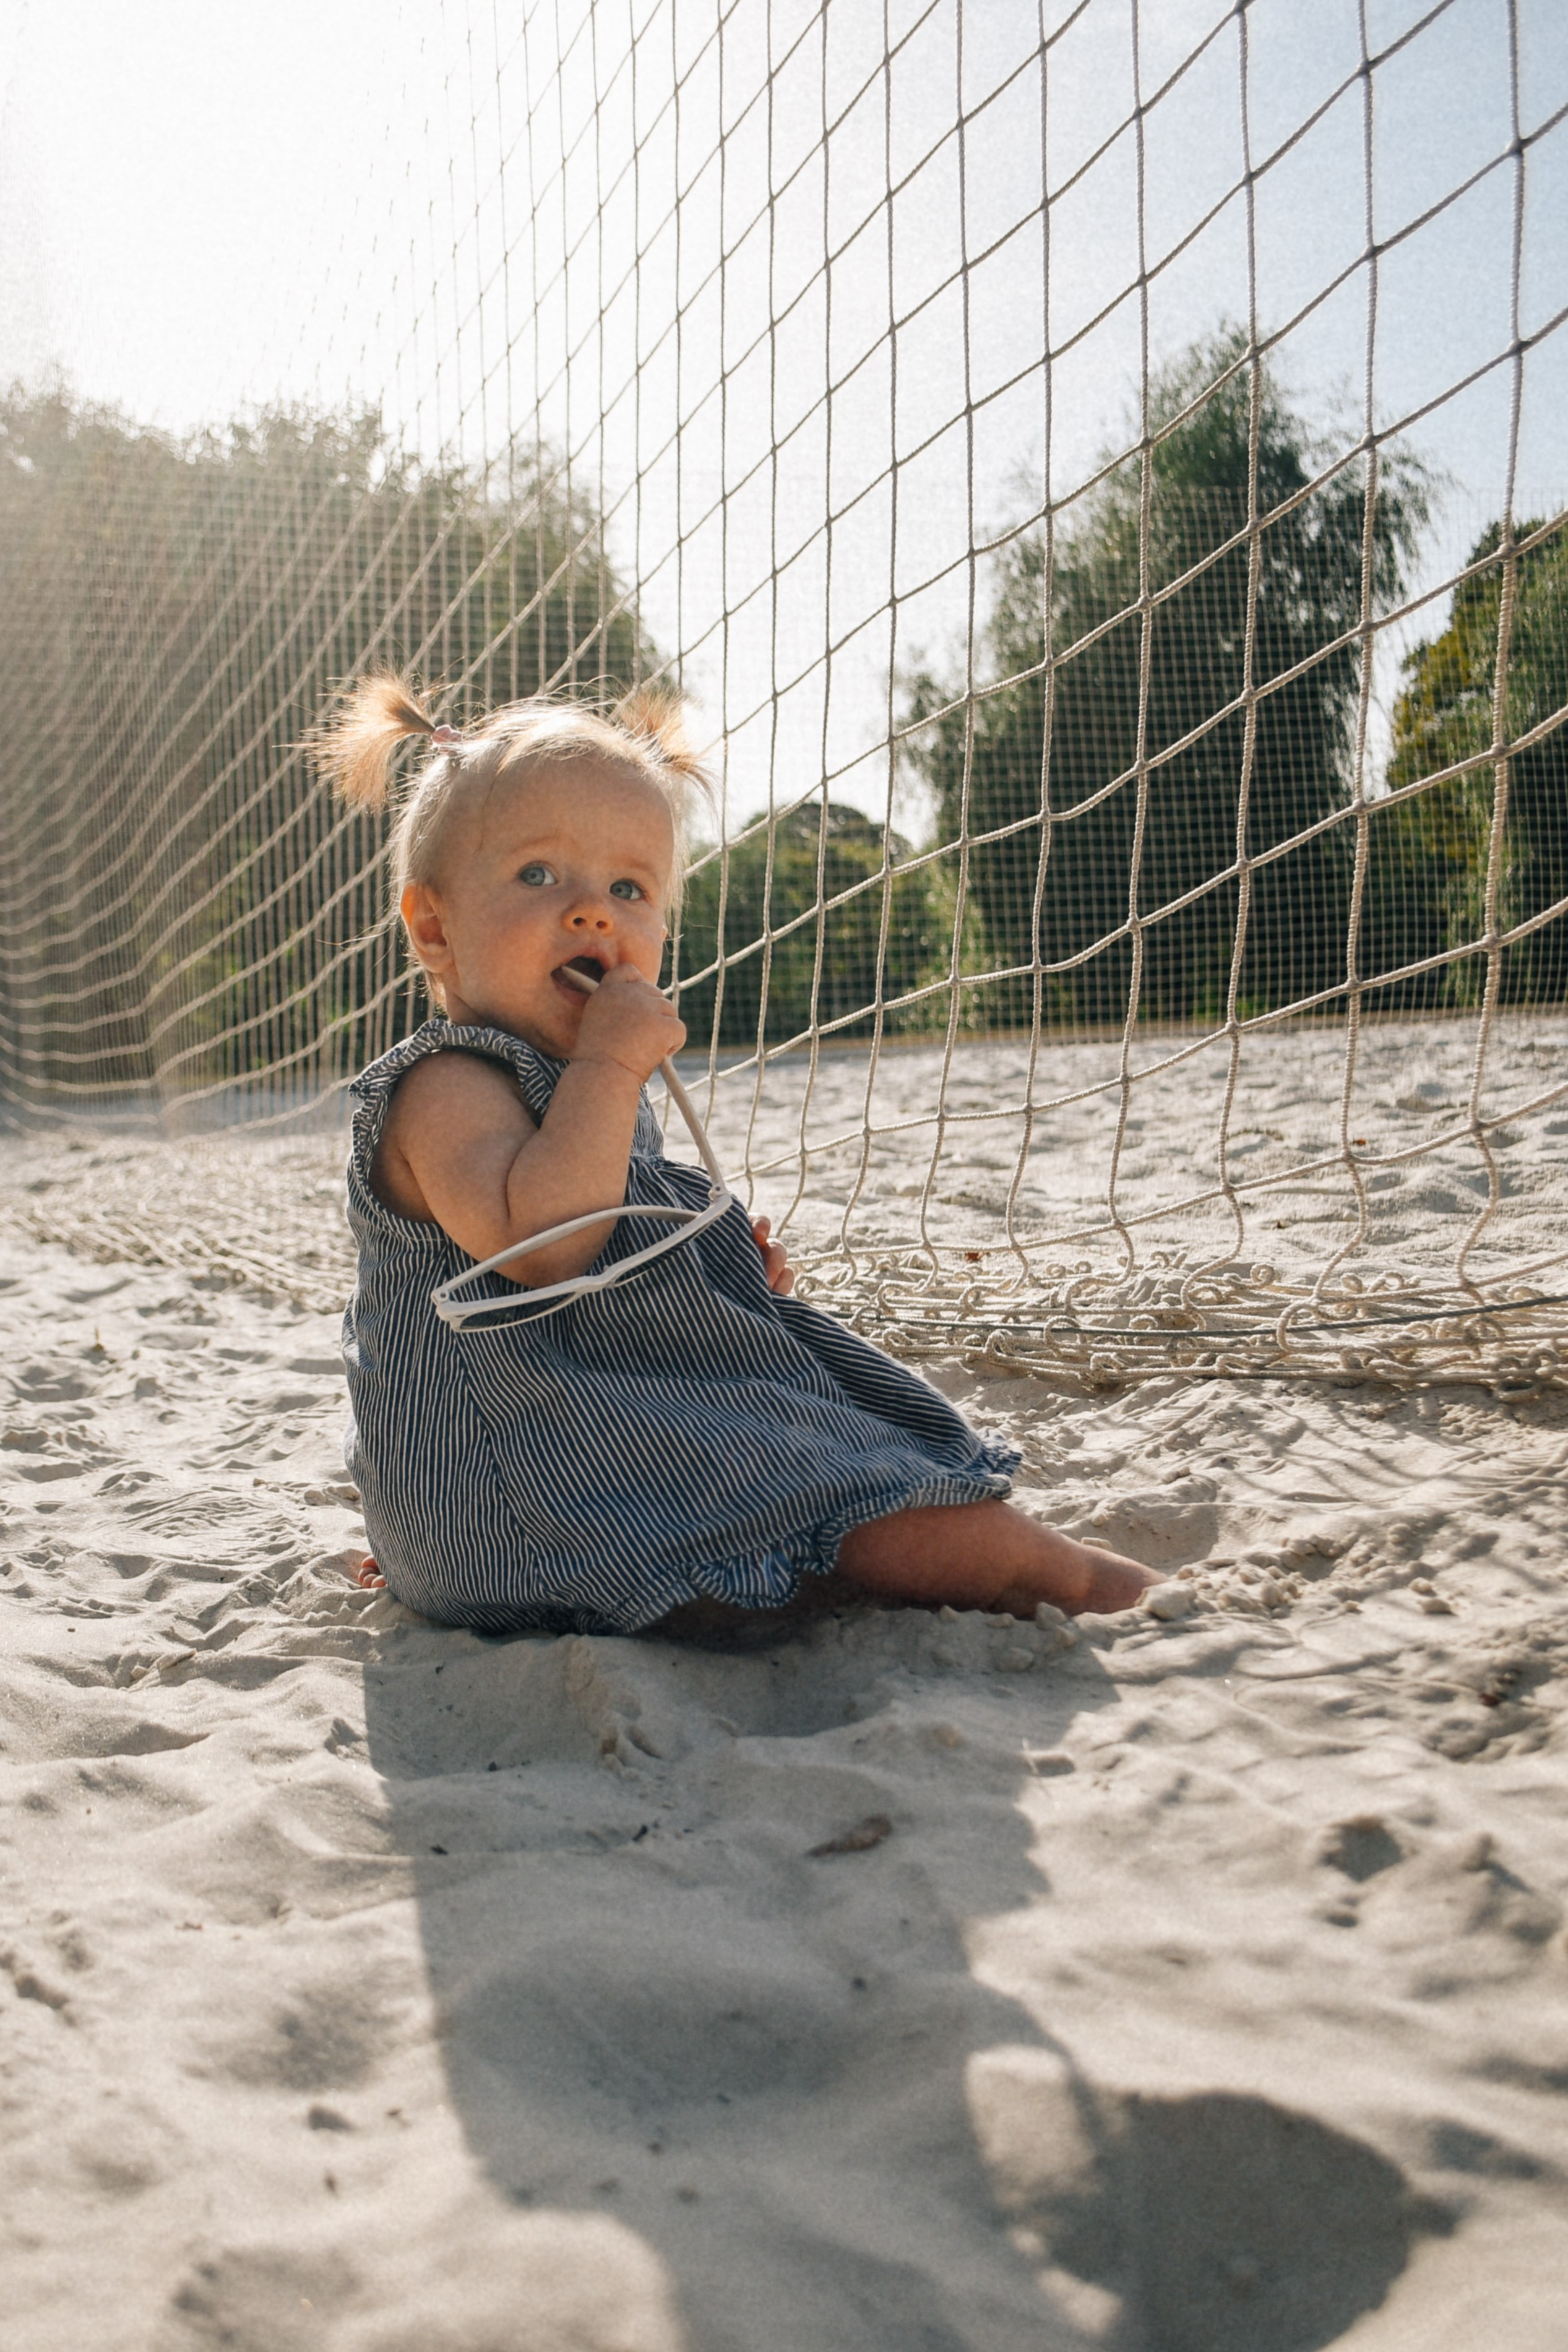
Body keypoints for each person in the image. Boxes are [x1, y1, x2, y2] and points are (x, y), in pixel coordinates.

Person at [312, 673, 1159, 1636]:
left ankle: (826, 1565)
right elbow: (542, 1245)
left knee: (802, 1451)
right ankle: (1066, 1577)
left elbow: (608, 1256)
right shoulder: (446, 1084)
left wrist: (708, 1275)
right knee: (853, 1495)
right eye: (539, 875)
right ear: (434, 926)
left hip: (587, 1451)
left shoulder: (592, 1082)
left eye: (628, 888)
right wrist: (609, 1062)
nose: (594, 914)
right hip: (511, 1497)